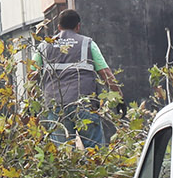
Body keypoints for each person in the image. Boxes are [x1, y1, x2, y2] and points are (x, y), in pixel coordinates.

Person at [38, 8, 122, 145]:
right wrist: (119, 98)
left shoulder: (44, 46)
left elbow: (31, 75)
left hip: (55, 107)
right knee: (95, 153)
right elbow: (106, 74)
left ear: (59, 27)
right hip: (84, 104)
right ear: (78, 26)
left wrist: (30, 104)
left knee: (62, 153)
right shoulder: (88, 44)